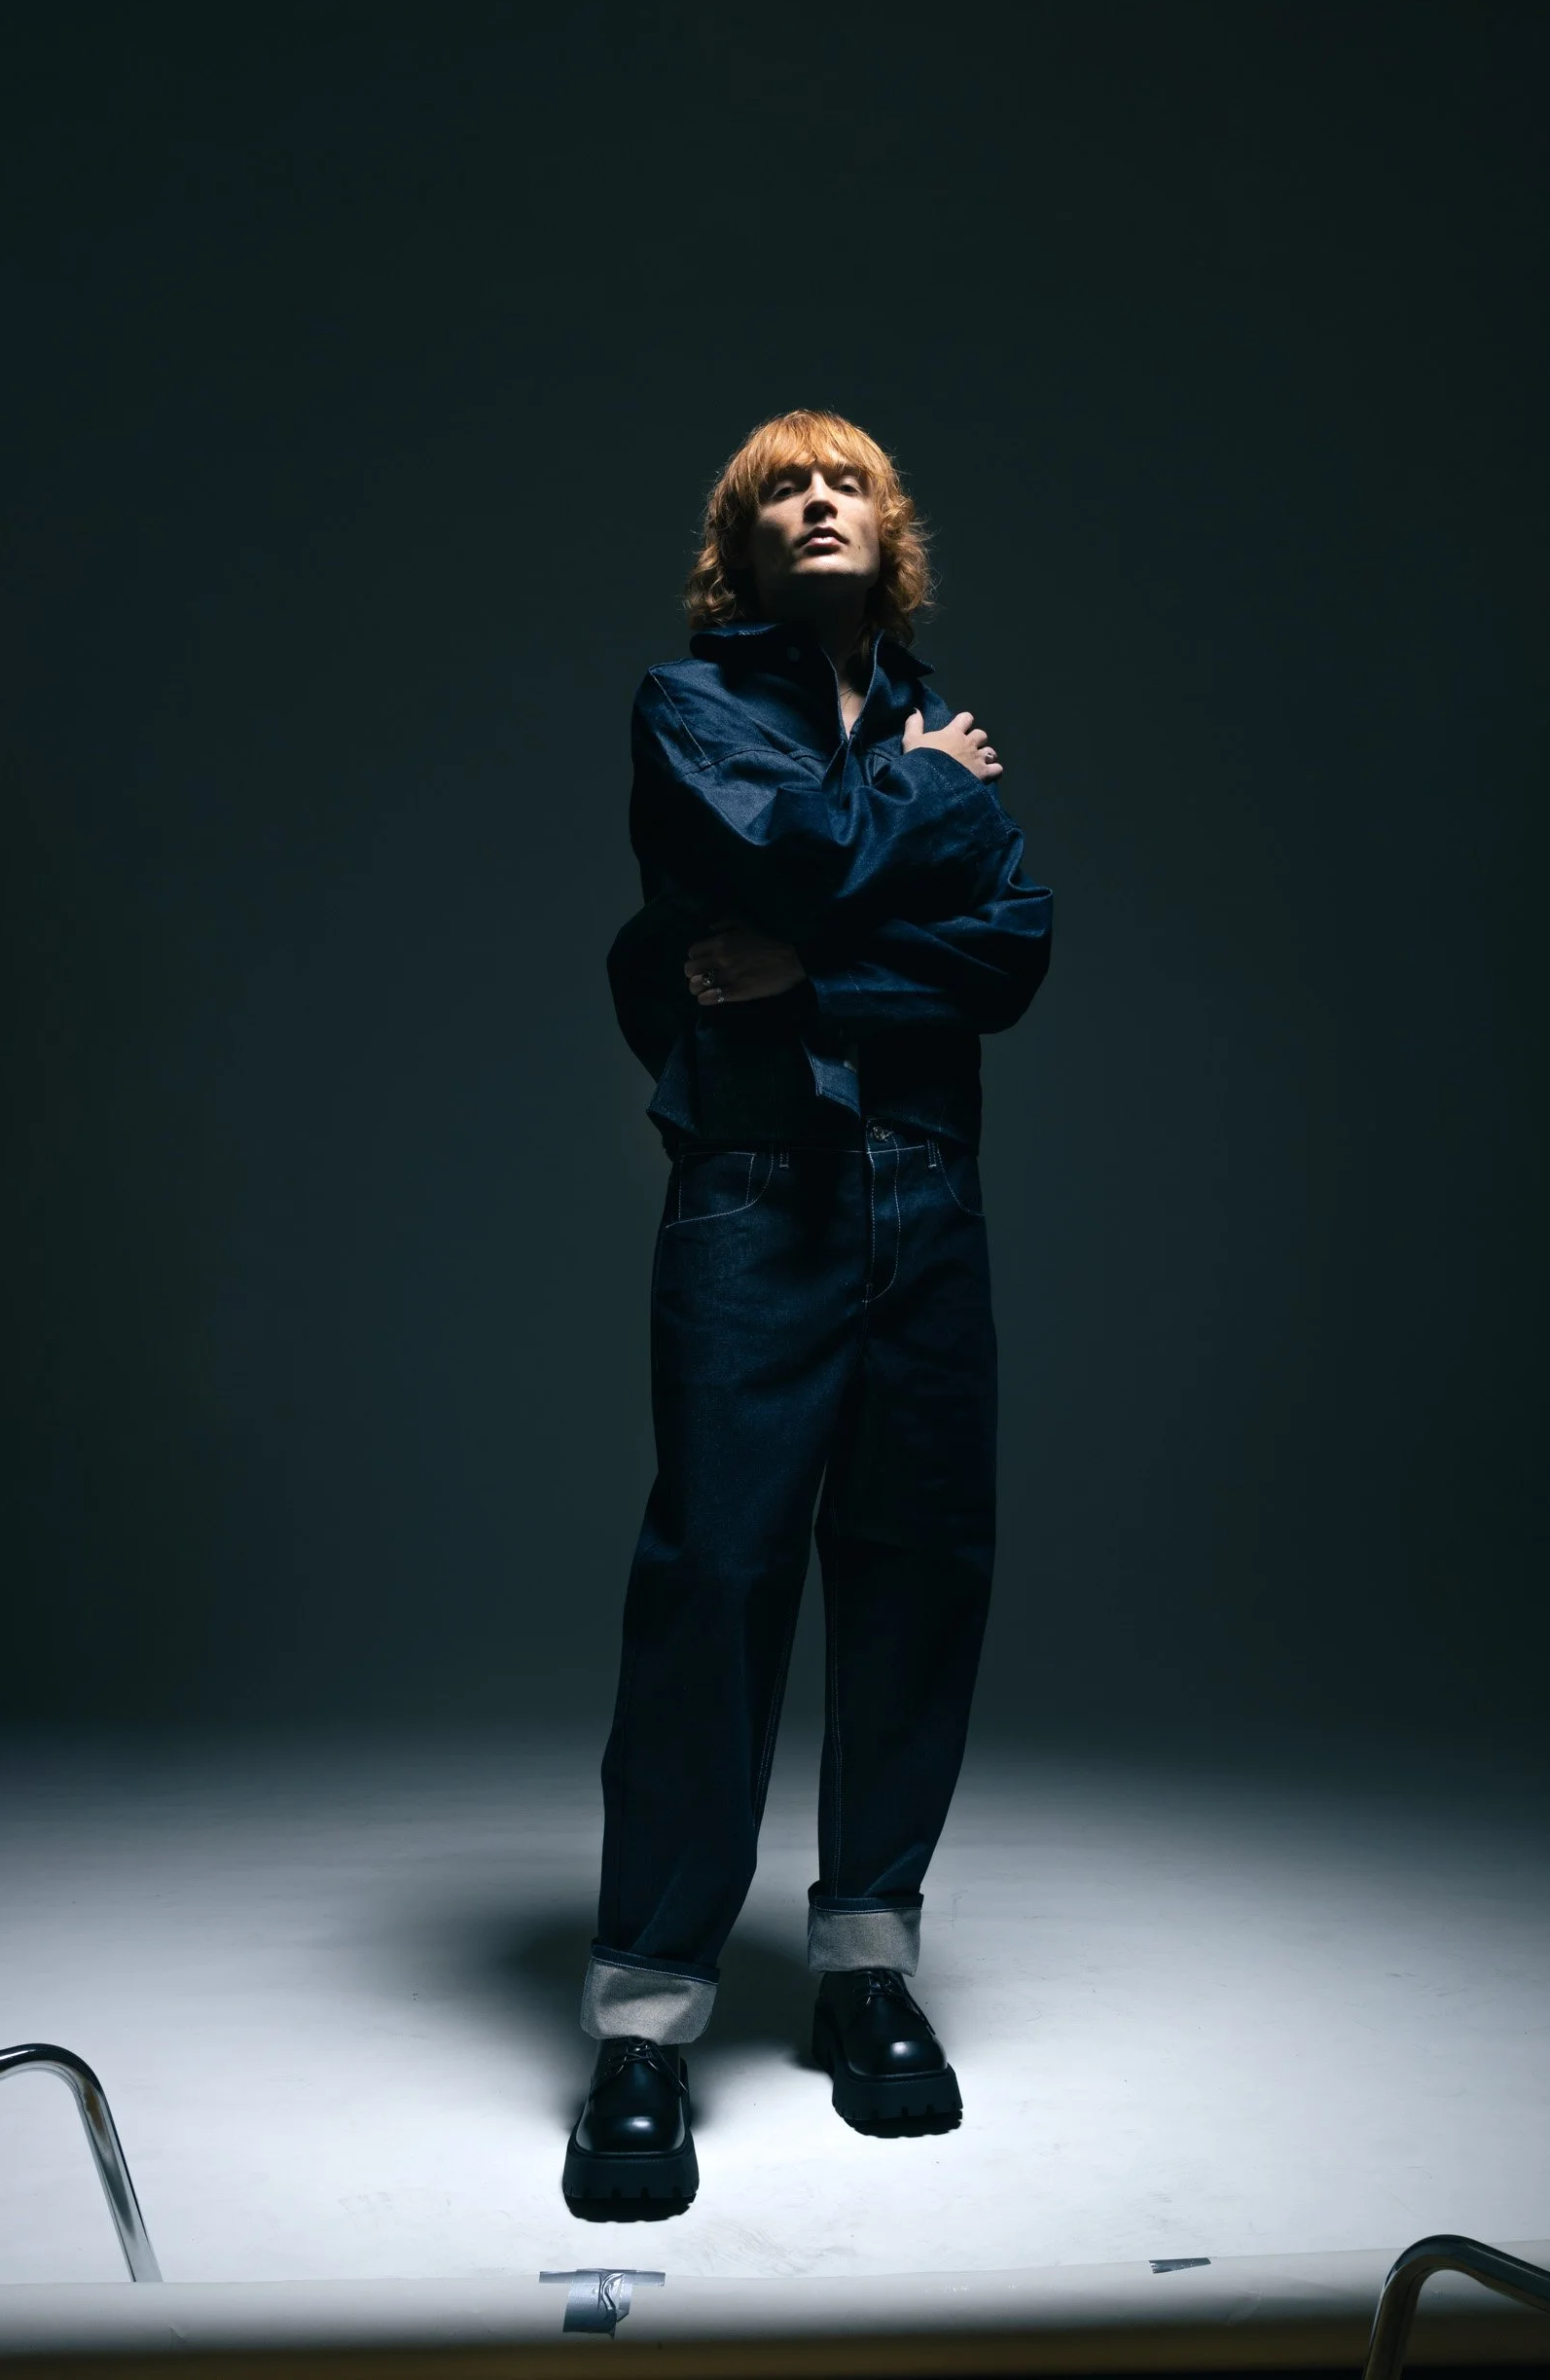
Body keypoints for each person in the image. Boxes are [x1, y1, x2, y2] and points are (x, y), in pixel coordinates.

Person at [563, 410, 1052, 2219]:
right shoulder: (697, 711)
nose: (818, 500)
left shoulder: (935, 726)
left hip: (927, 1191)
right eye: (784, 487)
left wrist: (810, 969)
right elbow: (777, 864)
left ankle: (867, 1968)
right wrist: (920, 795)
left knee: (920, 1571)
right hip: (756, 1193)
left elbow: (1011, 951)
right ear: (743, 548)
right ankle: (644, 2021)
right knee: (716, 1581)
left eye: (846, 481)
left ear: (888, 535)